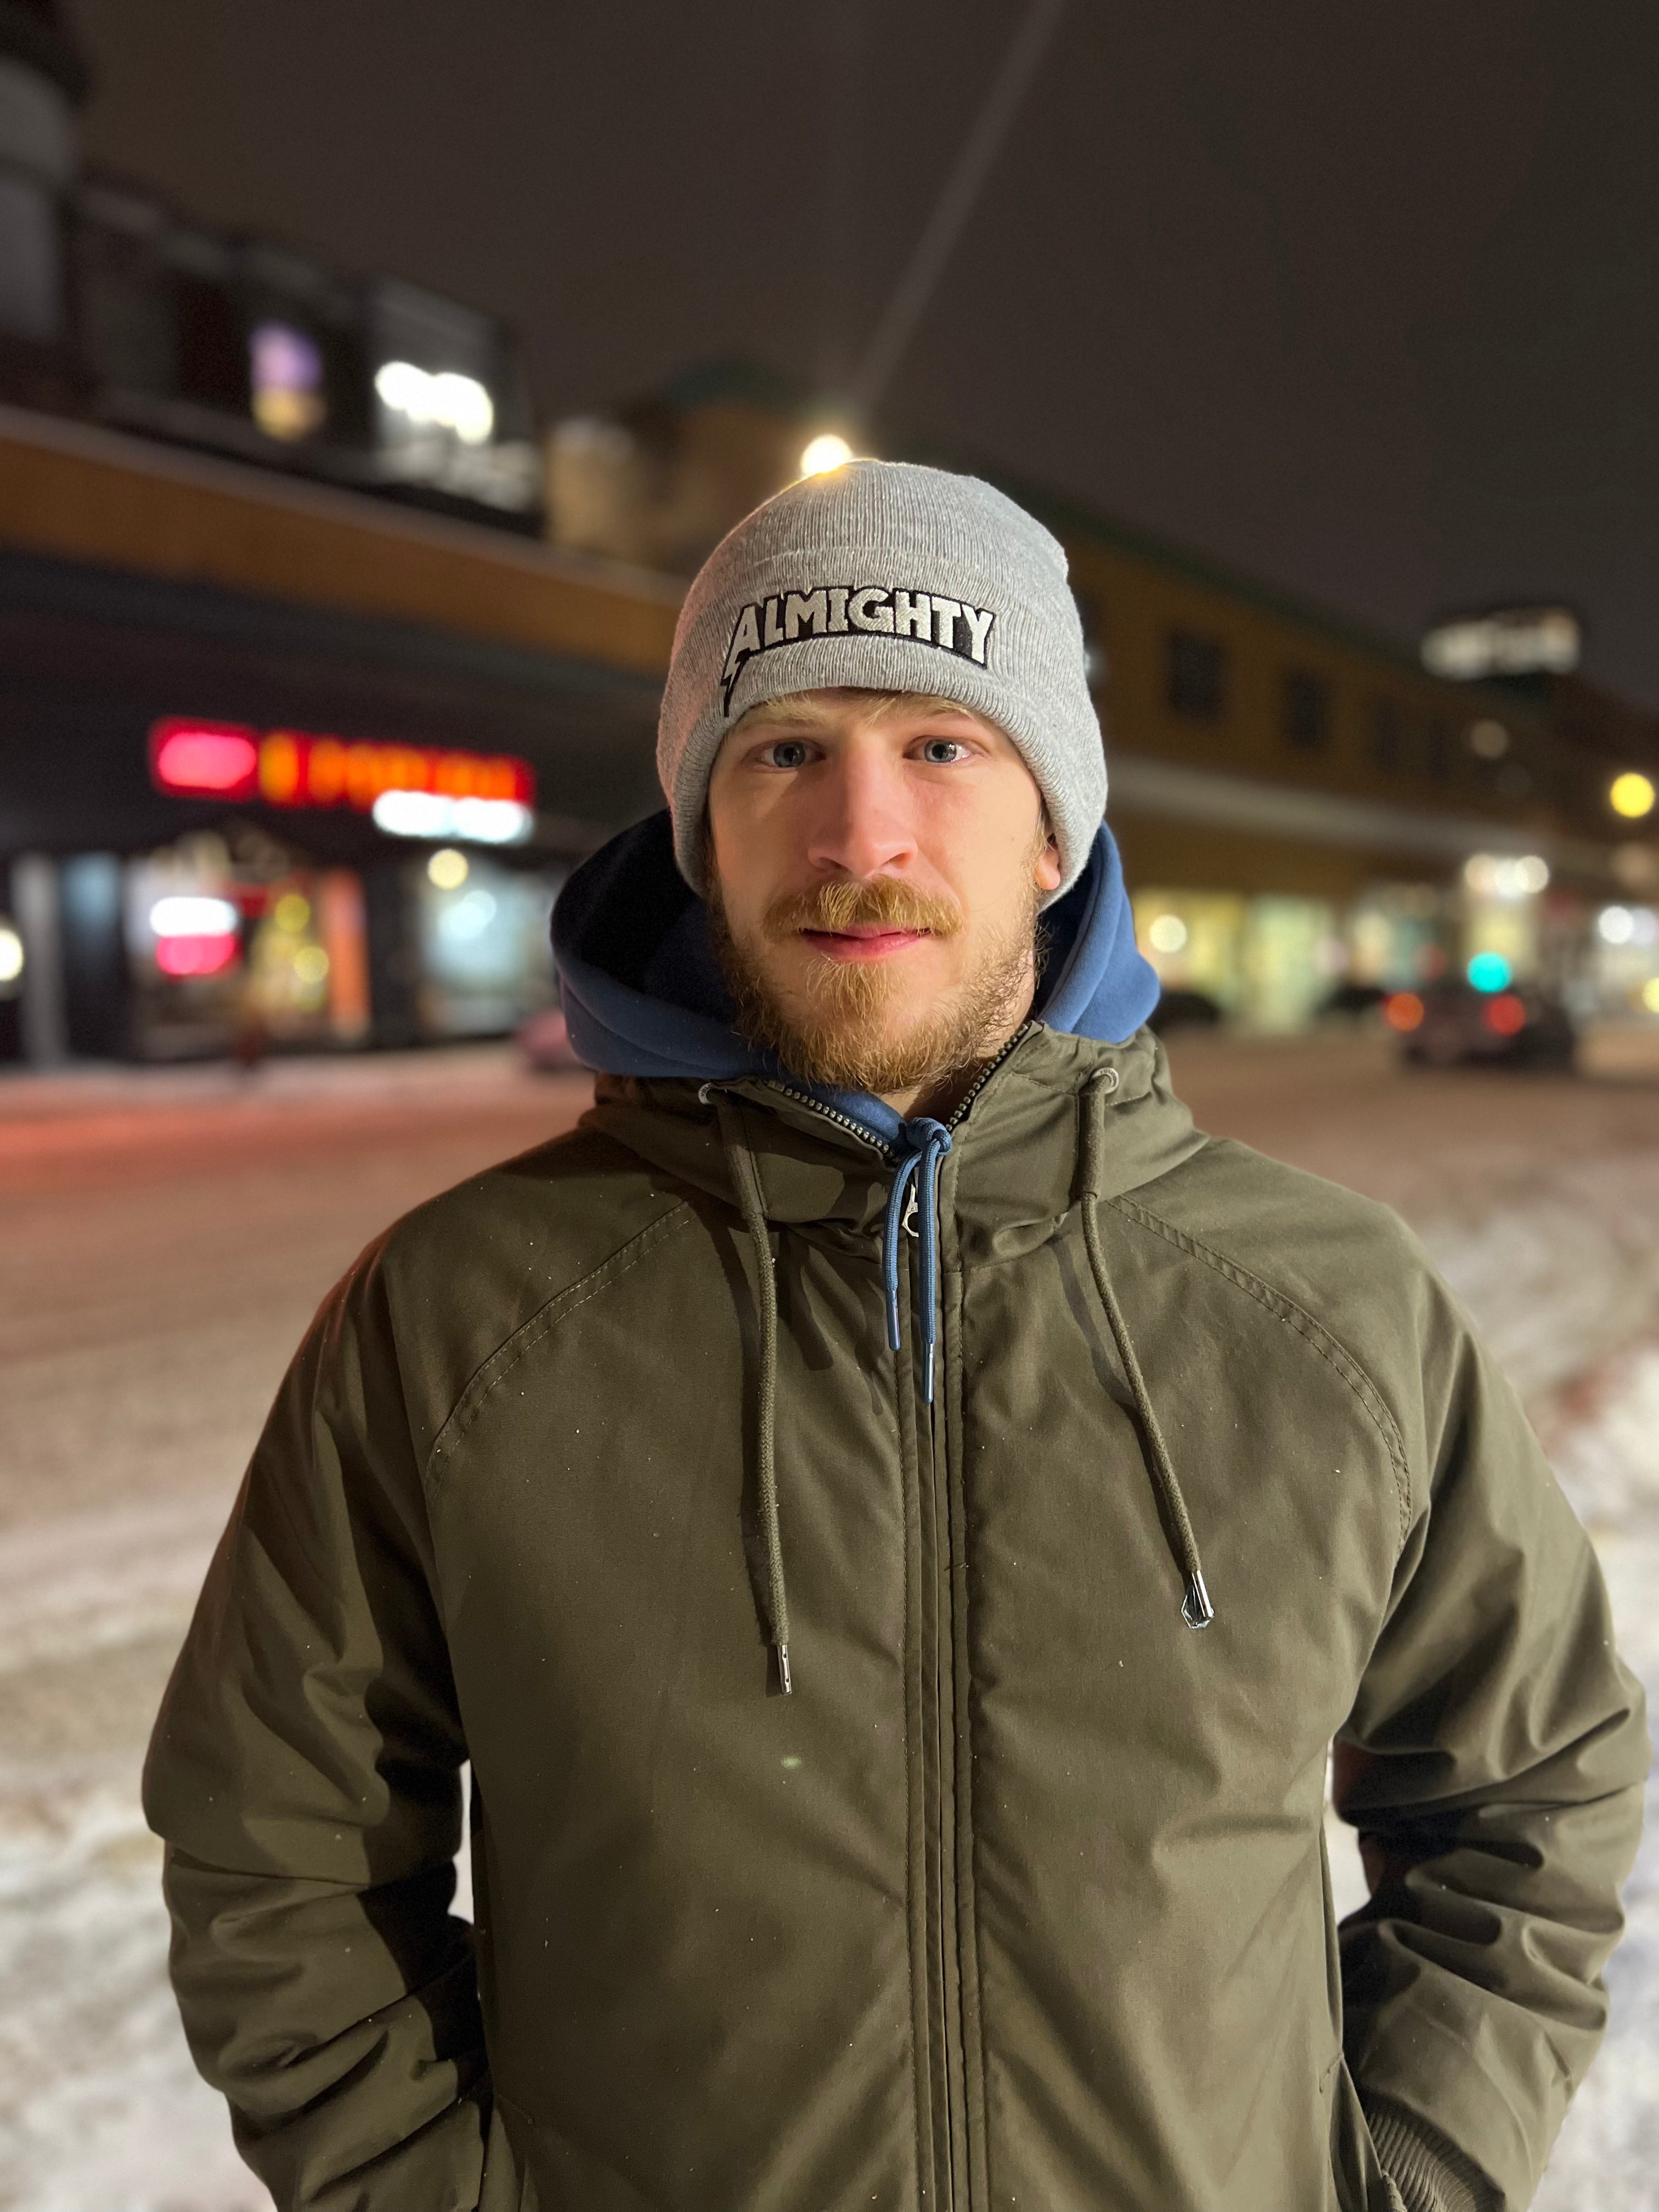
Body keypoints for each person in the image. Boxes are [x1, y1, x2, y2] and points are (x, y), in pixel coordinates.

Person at [145, 461, 1647, 2212]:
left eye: (943, 742)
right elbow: (281, 1856)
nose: (865, 837)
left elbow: (1527, 1800)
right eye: (786, 750)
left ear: (1055, 824)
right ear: (703, 824)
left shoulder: (1328, 1306)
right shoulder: (460, 1313)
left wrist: (1404, 2182)